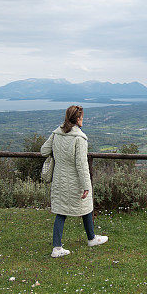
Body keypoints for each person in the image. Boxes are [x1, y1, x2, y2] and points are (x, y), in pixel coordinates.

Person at [41, 105, 108, 258]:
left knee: (61, 211)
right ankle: (91, 238)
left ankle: (57, 247)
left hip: (59, 179)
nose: (82, 119)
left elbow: (43, 151)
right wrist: (86, 186)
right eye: (82, 117)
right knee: (86, 205)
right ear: (78, 119)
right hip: (75, 180)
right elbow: (82, 164)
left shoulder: (56, 133)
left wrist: (58, 151)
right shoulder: (80, 138)